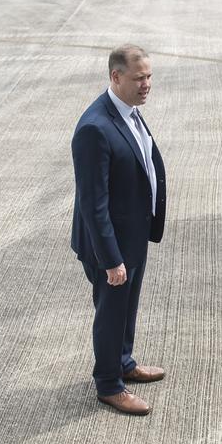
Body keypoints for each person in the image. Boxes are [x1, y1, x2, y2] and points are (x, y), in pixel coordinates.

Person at [70, 45, 168, 415]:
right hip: (110, 244)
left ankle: (124, 361)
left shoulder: (130, 112)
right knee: (111, 312)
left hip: (133, 235)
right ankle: (110, 384)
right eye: (139, 78)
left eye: (149, 77)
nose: (146, 85)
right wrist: (111, 259)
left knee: (127, 308)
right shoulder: (94, 128)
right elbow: (93, 204)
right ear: (116, 77)